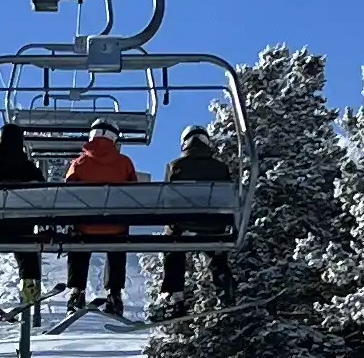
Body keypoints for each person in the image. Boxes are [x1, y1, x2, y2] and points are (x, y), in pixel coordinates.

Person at [0, 116, 48, 338]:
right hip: (22, 226)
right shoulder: (30, 169)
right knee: (26, 244)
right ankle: (28, 283)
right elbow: (43, 194)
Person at [61, 120, 140, 316]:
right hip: (115, 227)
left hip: (85, 226)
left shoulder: (79, 163)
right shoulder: (125, 163)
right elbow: (136, 192)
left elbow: (67, 194)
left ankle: (77, 290)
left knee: (76, 236)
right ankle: (114, 293)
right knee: (118, 241)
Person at [154, 120, 235, 308]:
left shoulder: (174, 166)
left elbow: (166, 198)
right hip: (214, 225)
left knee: (173, 249)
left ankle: (174, 294)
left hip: (183, 225)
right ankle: (223, 286)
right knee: (217, 252)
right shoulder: (220, 167)